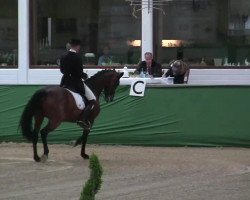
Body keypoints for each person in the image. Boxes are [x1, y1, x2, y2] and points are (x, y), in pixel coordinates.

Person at [60, 39, 96, 128]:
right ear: (77, 46)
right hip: (76, 82)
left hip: (65, 81)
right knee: (92, 100)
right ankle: (82, 119)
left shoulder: (63, 56)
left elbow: (62, 70)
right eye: (79, 46)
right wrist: (85, 75)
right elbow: (79, 73)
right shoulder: (77, 57)